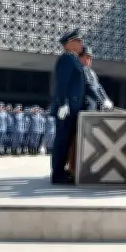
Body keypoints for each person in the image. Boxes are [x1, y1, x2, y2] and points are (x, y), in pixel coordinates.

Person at [50, 28, 86, 184]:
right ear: (68, 44)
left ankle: (61, 171)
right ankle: (57, 174)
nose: (81, 44)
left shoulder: (73, 59)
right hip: (66, 109)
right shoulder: (67, 58)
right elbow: (62, 83)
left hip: (72, 108)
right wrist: (63, 104)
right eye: (77, 41)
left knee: (66, 141)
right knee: (62, 141)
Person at [80, 47, 114, 112]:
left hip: (93, 106)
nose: (89, 60)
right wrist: (101, 101)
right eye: (87, 57)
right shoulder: (81, 70)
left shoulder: (92, 72)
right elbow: (90, 88)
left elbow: (99, 87)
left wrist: (106, 99)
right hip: (84, 106)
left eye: (90, 58)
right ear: (80, 58)